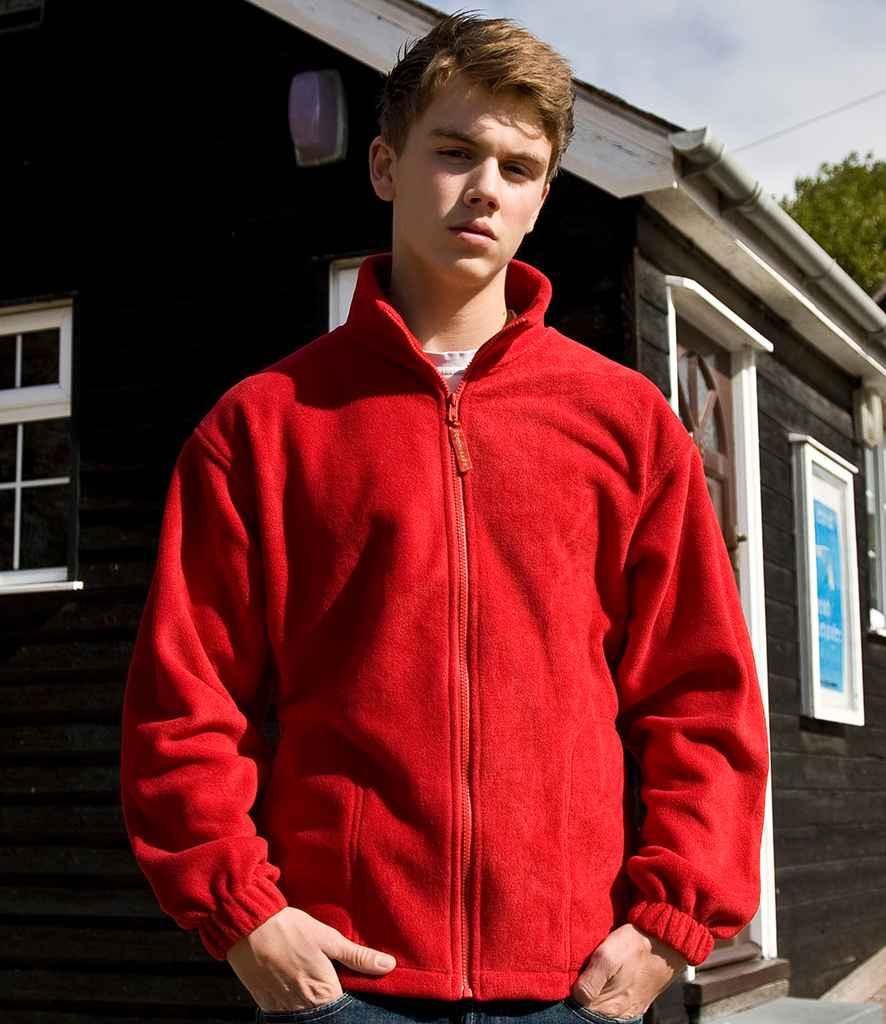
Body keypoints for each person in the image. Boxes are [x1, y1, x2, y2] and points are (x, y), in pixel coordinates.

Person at [119, 10, 771, 1024]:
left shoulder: (627, 424)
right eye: (455, 151)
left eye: (519, 167)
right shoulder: (264, 426)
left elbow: (702, 693)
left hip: (573, 986)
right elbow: (186, 699)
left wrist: (666, 928)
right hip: (343, 984)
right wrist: (246, 918)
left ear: (543, 197)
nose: (485, 188)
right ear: (385, 165)